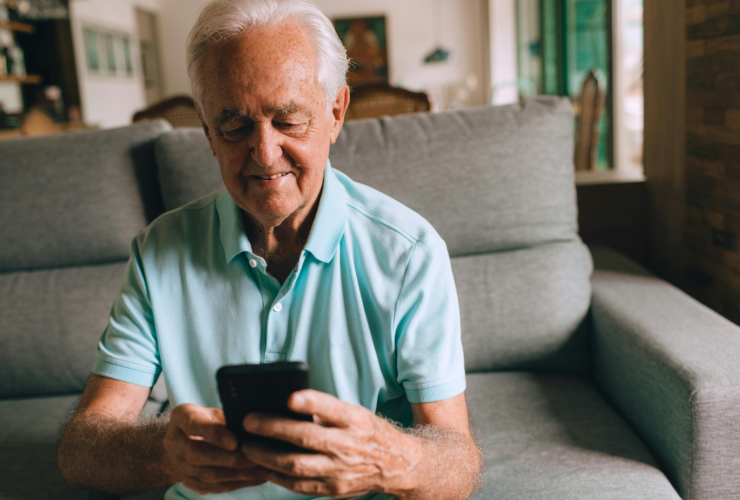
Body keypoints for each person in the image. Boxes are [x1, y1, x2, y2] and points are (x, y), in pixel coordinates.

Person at [58, 1, 483, 498]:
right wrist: (167, 453)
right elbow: (81, 450)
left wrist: (386, 460)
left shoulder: (410, 253)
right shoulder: (159, 252)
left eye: (289, 120)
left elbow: (458, 462)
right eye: (235, 126)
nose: (264, 153)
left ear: (336, 113)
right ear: (207, 131)